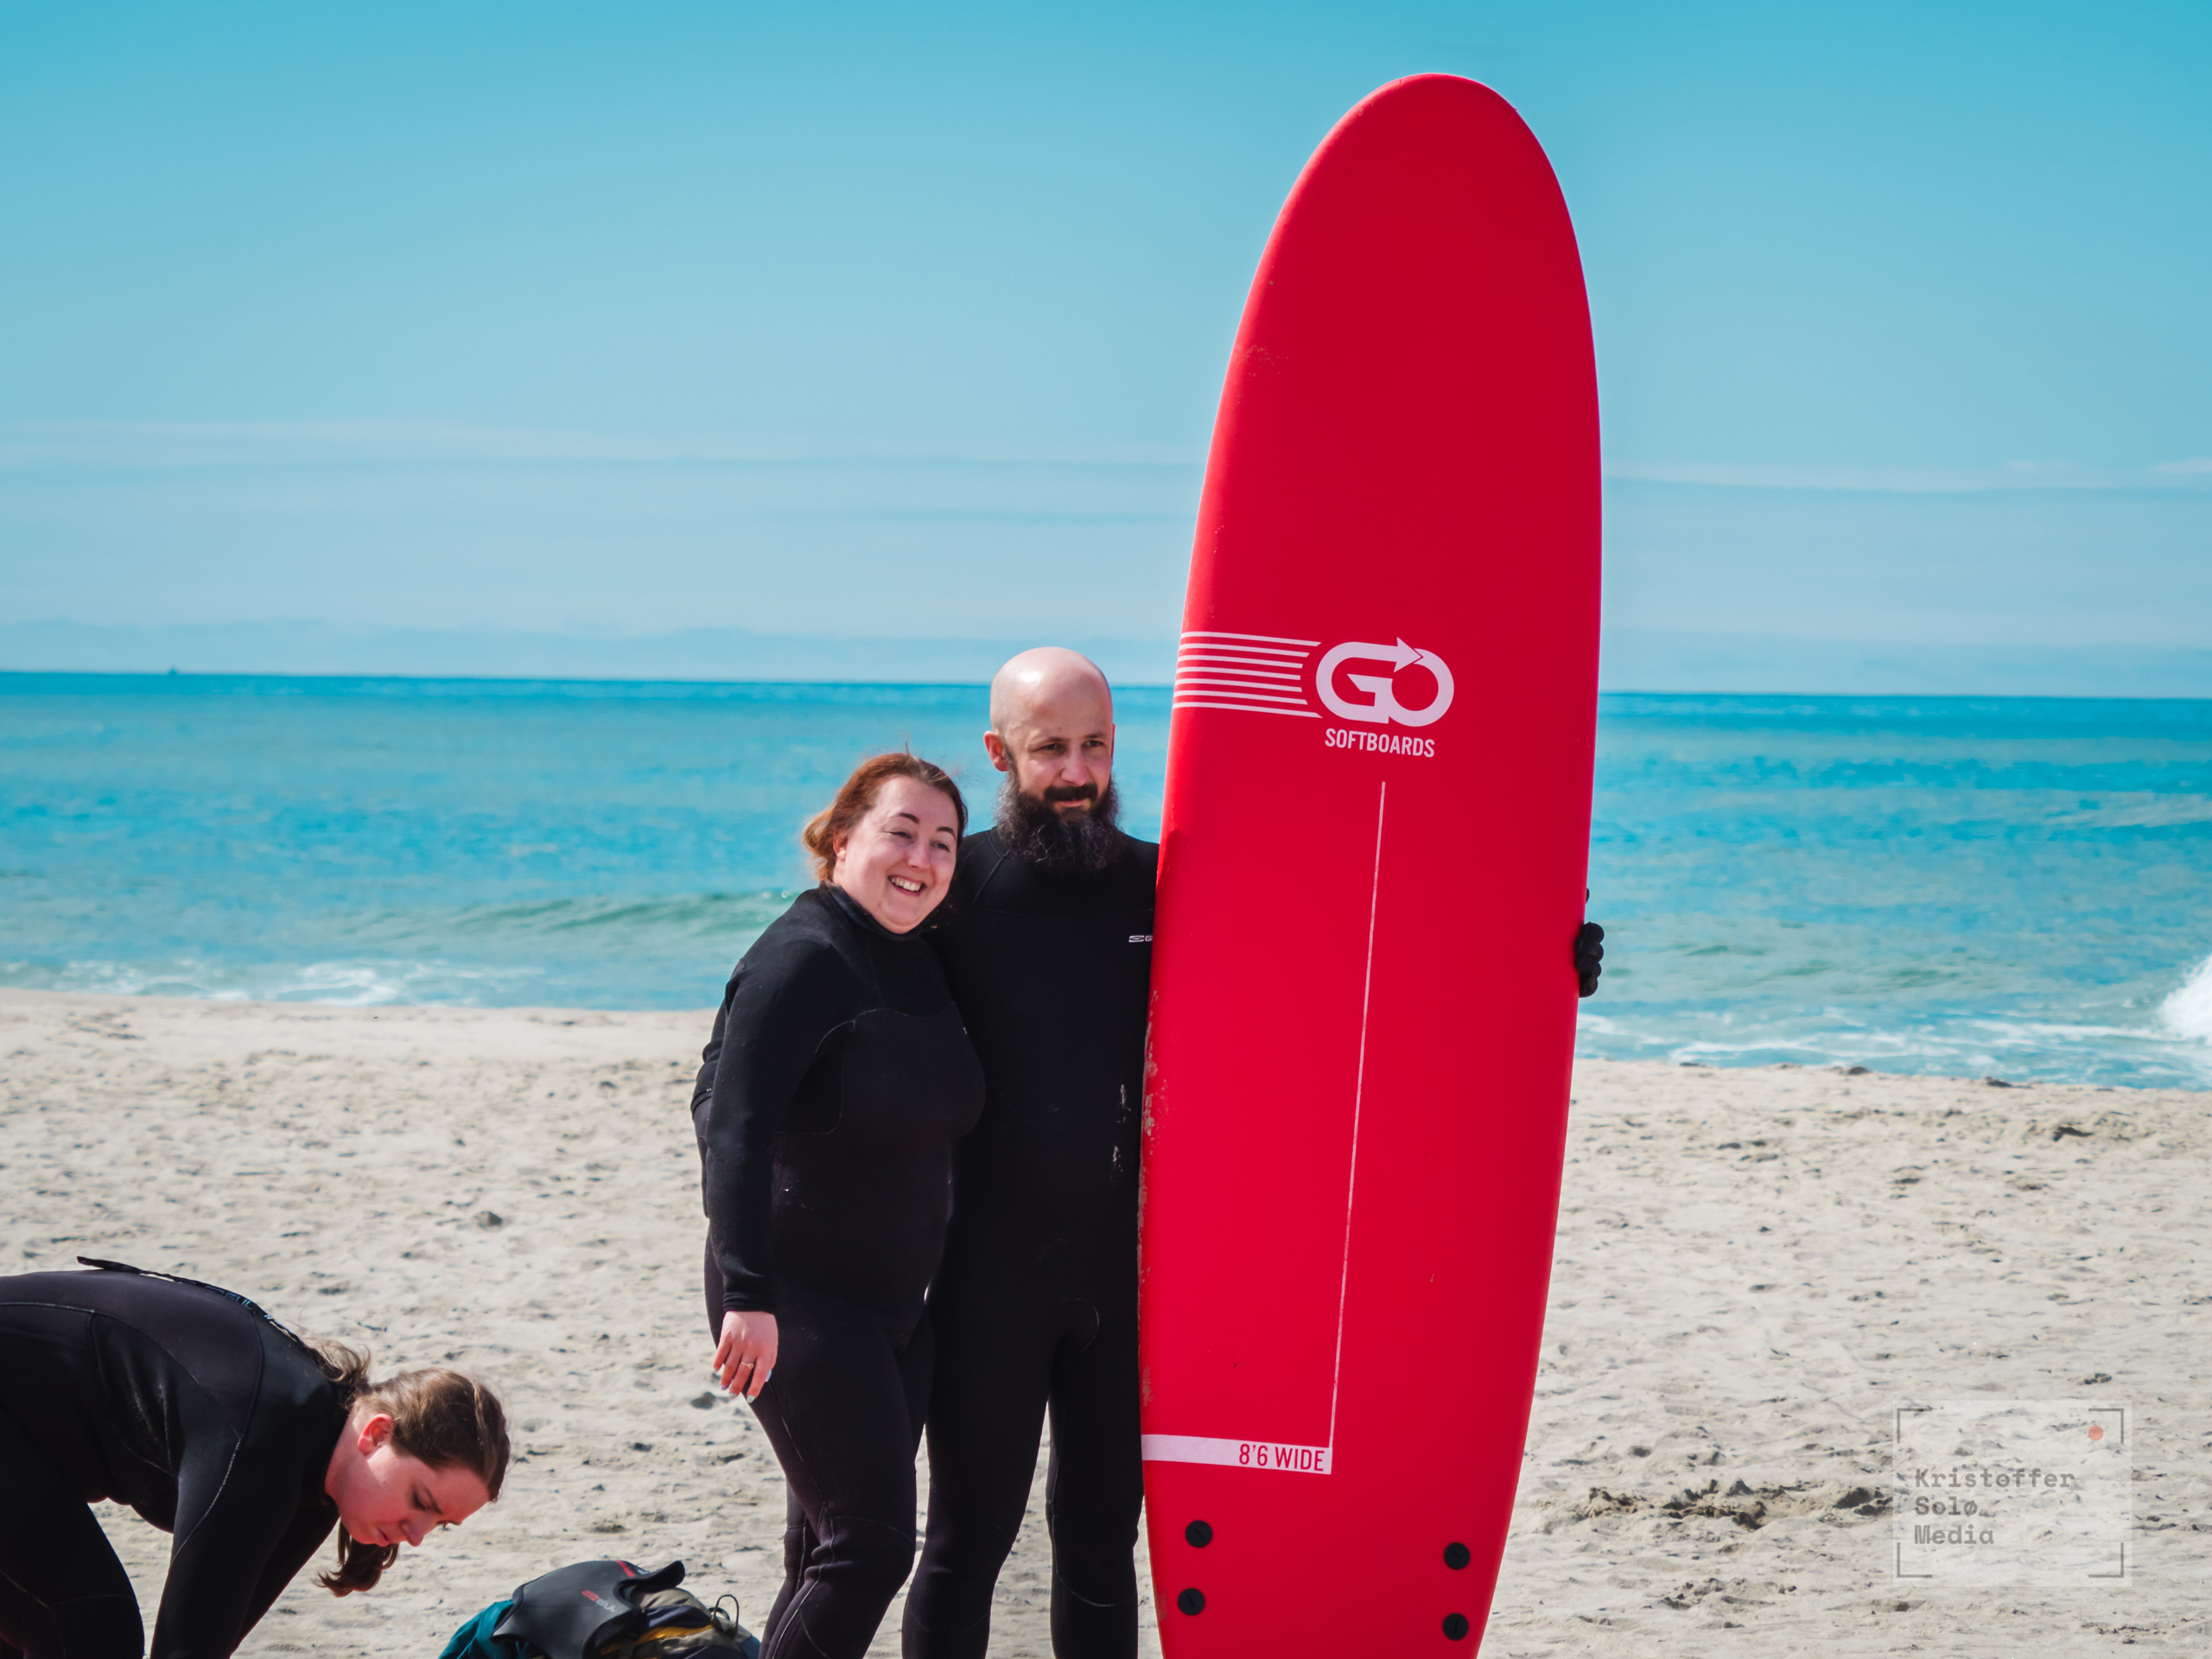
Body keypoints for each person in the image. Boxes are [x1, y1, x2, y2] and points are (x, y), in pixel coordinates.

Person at [902, 648, 1608, 1659]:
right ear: (997, 752)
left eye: (1094, 745)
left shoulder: (1162, 886)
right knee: (966, 1542)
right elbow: (833, 971)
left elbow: (1346, 963)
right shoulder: (951, 892)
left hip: (1129, 1285)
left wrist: (1535, 959)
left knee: (1101, 1542)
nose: (1076, 772)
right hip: (987, 1280)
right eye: (1049, 748)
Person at [691, 753, 986, 1659]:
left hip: (895, 1308)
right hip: (798, 1300)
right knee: (867, 1549)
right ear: (843, 839)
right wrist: (749, 1291)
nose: (922, 858)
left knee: (823, 1548)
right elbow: (730, 1123)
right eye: (902, 832)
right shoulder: (802, 957)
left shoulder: (919, 957)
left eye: (944, 842)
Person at [0, 1260, 510, 1659]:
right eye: (421, 1500)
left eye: (439, 1523)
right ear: (377, 1433)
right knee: (88, 1625)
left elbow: (209, 1640)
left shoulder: (317, 1477)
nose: (417, 1536)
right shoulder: (266, 1442)